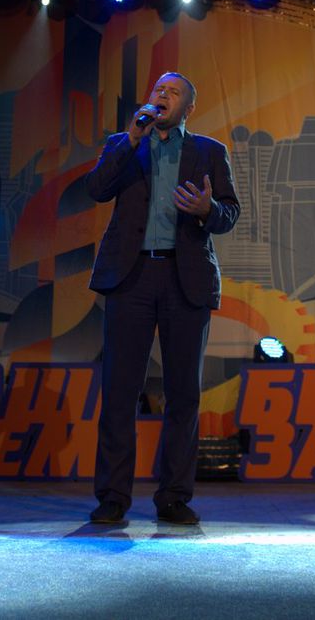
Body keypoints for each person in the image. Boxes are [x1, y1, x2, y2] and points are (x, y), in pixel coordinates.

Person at [83, 71, 240, 525]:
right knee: (119, 390)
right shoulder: (124, 144)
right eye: (158, 90)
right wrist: (132, 138)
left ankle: (173, 497)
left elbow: (230, 212)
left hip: (184, 277)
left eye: (173, 92)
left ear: (188, 108)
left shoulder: (209, 151)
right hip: (130, 277)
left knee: (183, 393)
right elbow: (96, 190)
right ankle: (113, 496)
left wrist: (208, 209)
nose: (162, 95)